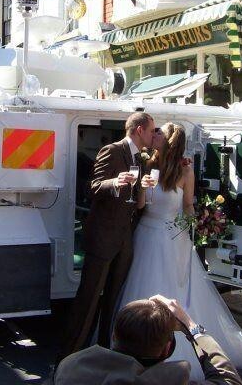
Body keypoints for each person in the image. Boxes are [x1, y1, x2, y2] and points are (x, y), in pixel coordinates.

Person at [117, 122, 242, 381]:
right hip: (148, 234)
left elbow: (188, 207)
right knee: (144, 286)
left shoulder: (185, 171)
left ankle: (178, 347)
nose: (155, 134)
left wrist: (193, 224)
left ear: (170, 139)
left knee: (176, 290)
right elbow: (140, 205)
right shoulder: (147, 165)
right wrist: (142, 186)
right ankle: (141, 345)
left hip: (175, 238)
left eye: (160, 132)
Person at [58, 112, 156, 361]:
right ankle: (67, 359)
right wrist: (114, 182)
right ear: (138, 130)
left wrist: (142, 186)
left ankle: (103, 353)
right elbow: (91, 187)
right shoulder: (112, 150)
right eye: (151, 130)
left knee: (113, 302)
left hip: (124, 237)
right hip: (103, 236)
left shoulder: (141, 158)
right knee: (89, 300)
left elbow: (136, 202)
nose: (153, 136)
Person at [53, 295, 242, 385]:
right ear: (167, 349)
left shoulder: (69, 371)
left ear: (113, 336)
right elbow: (229, 381)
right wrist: (191, 327)